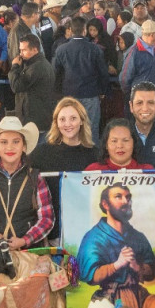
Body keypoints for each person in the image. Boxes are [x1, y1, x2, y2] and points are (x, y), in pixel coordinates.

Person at [31, 97, 99, 239]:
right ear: (56, 123)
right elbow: (18, 168)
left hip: (86, 231)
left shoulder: (95, 154)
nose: (67, 124)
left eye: (73, 118)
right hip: (52, 231)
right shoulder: (41, 153)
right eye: (62, 119)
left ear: (82, 120)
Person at [51, 17, 109, 142]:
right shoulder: (95, 49)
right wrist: (102, 90)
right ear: (84, 30)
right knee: (91, 130)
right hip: (90, 94)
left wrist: (58, 94)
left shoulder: (61, 50)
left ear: (70, 30)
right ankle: (92, 154)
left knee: (70, 130)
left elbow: (55, 74)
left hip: (69, 95)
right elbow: (103, 73)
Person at [85, 119, 152, 171]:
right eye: (114, 141)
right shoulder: (93, 171)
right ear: (106, 145)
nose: (120, 146)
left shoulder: (147, 171)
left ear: (134, 143)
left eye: (125, 140)